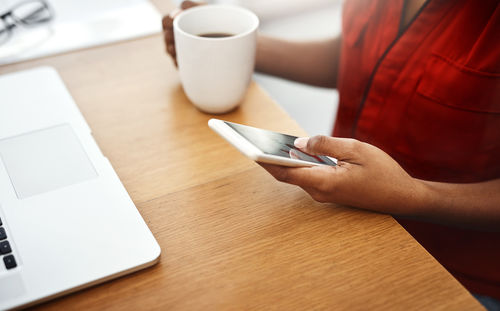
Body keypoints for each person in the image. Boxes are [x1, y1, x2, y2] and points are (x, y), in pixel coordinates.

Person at [163, 0, 500, 307]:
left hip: (457, 272)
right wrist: (235, 45)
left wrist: (411, 195)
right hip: (342, 219)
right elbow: (357, 53)